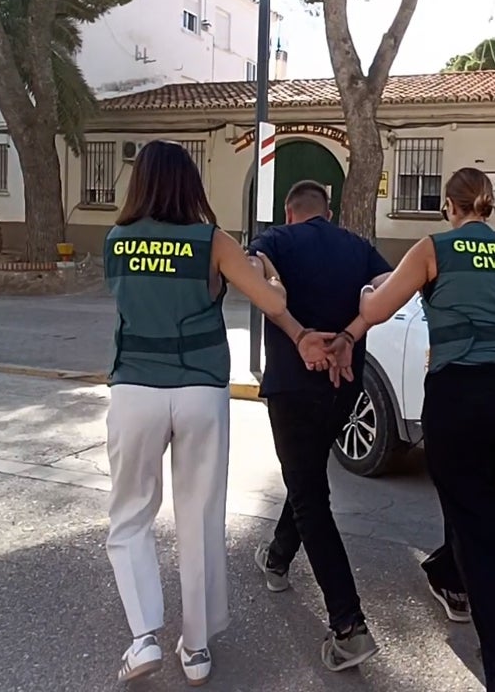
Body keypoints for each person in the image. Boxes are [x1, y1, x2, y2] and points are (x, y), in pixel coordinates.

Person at [104, 141, 333, 687]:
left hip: (135, 388)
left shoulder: (115, 241)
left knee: (130, 514)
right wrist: (269, 273)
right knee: (200, 516)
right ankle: (198, 648)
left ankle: (143, 639)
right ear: (191, 185)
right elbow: (273, 303)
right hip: (201, 392)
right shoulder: (213, 242)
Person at [358, 167, 495, 692]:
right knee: (472, 493)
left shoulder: (435, 248)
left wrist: (370, 288)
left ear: (449, 207)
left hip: (458, 397)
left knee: (483, 525)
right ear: (489, 206)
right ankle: (449, 575)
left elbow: (378, 311)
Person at [247, 180, 392, 671]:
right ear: (326, 213)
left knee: (310, 494)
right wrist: (351, 335)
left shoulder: (273, 242)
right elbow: (387, 294)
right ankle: (277, 558)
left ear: (291, 212)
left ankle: (349, 626)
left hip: (292, 385)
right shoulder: (358, 247)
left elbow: (254, 281)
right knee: (306, 476)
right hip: (343, 383)